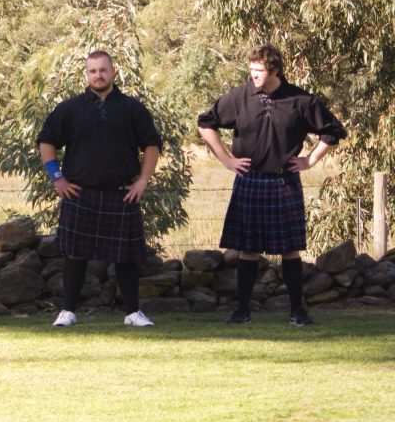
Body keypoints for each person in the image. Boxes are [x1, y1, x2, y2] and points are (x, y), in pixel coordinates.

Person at [197, 44, 346, 326]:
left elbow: (333, 131)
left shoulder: (300, 100)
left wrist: (310, 160)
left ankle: (297, 312)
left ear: (275, 70)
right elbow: (205, 123)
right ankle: (242, 312)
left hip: (284, 181)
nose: (253, 75)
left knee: (290, 249)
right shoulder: (240, 97)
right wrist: (227, 160)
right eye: (251, 70)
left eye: (259, 70)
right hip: (250, 180)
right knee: (248, 249)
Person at [37, 50, 162, 328]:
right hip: (81, 192)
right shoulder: (70, 109)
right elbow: (46, 141)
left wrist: (142, 181)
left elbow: (151, 145)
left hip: (122, 192)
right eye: (93, 71)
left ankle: (133, 313)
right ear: (86, 74)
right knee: (75, 254)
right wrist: (57, 178)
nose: (98, 75)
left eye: (103, 70)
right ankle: (68, 311)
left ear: (113, 72)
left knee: (126, 256)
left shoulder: (132, 108)